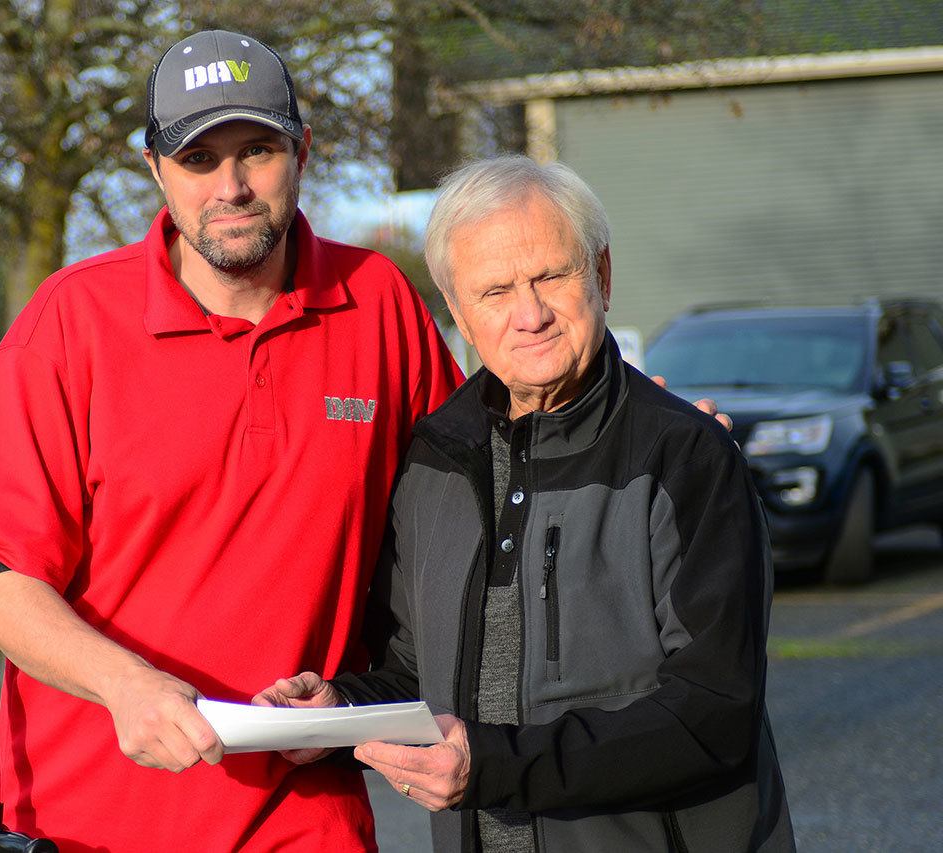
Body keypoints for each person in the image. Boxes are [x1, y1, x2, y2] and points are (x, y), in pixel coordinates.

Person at [0, 29, 462, 851]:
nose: (230, 186)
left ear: (303, 149)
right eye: (197, 160)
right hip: (91, 823)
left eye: (256, 149)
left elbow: (480, 495)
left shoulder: (378, 305)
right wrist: (127, 687)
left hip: (307, 817)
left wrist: (637, 428)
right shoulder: (68, 324)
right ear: (155, 170)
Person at [255, 156, 795, 852]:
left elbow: (713, 709)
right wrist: (341, 713)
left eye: (550, 276)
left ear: (601, 275)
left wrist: (495, 764)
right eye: (496, 290)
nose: (530, 313)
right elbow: (415, 672)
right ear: (459, 312)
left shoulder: (686, 457)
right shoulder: (434, 459)